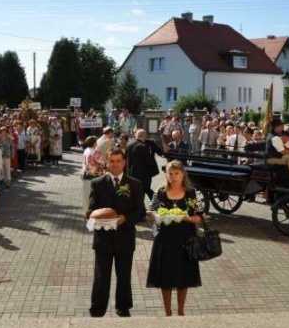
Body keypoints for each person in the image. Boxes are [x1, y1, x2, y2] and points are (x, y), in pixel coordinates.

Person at [86, 149, 146, 317]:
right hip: (103, 238)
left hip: (125, 237)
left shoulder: (134, 184)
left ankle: (123, 307)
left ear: (124, 162)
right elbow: (91, 210)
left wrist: (125, 218)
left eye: (118, 161)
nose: (115, 164)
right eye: (112, 161)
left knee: (124, 275)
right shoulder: (97, 183)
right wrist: (95, 216)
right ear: (107, 163)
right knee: (101, 276)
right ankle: (97, 309)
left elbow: (141, 211)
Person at [146, 161, 203, 316]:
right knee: (165, 278)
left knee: (183, 278)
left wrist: (188, 218)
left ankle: (181, 312)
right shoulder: (160, 192)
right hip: (165, 240)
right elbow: (150, 212)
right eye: (170, 173)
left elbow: (200, 217)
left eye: (176, 173)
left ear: (183, 174)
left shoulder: (193, 193)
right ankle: (168, 312)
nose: (173, 177)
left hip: (185, 240)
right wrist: (155, 215)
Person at [126, 129, 163, 202]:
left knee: (136, 191)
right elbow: (148, 161)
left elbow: (127, 161)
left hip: (132, 173)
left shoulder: (129, 145)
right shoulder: (143, 146)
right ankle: (150, 204)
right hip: (144, 174)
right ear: (145, 136)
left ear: (136, 135)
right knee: (143, 191)